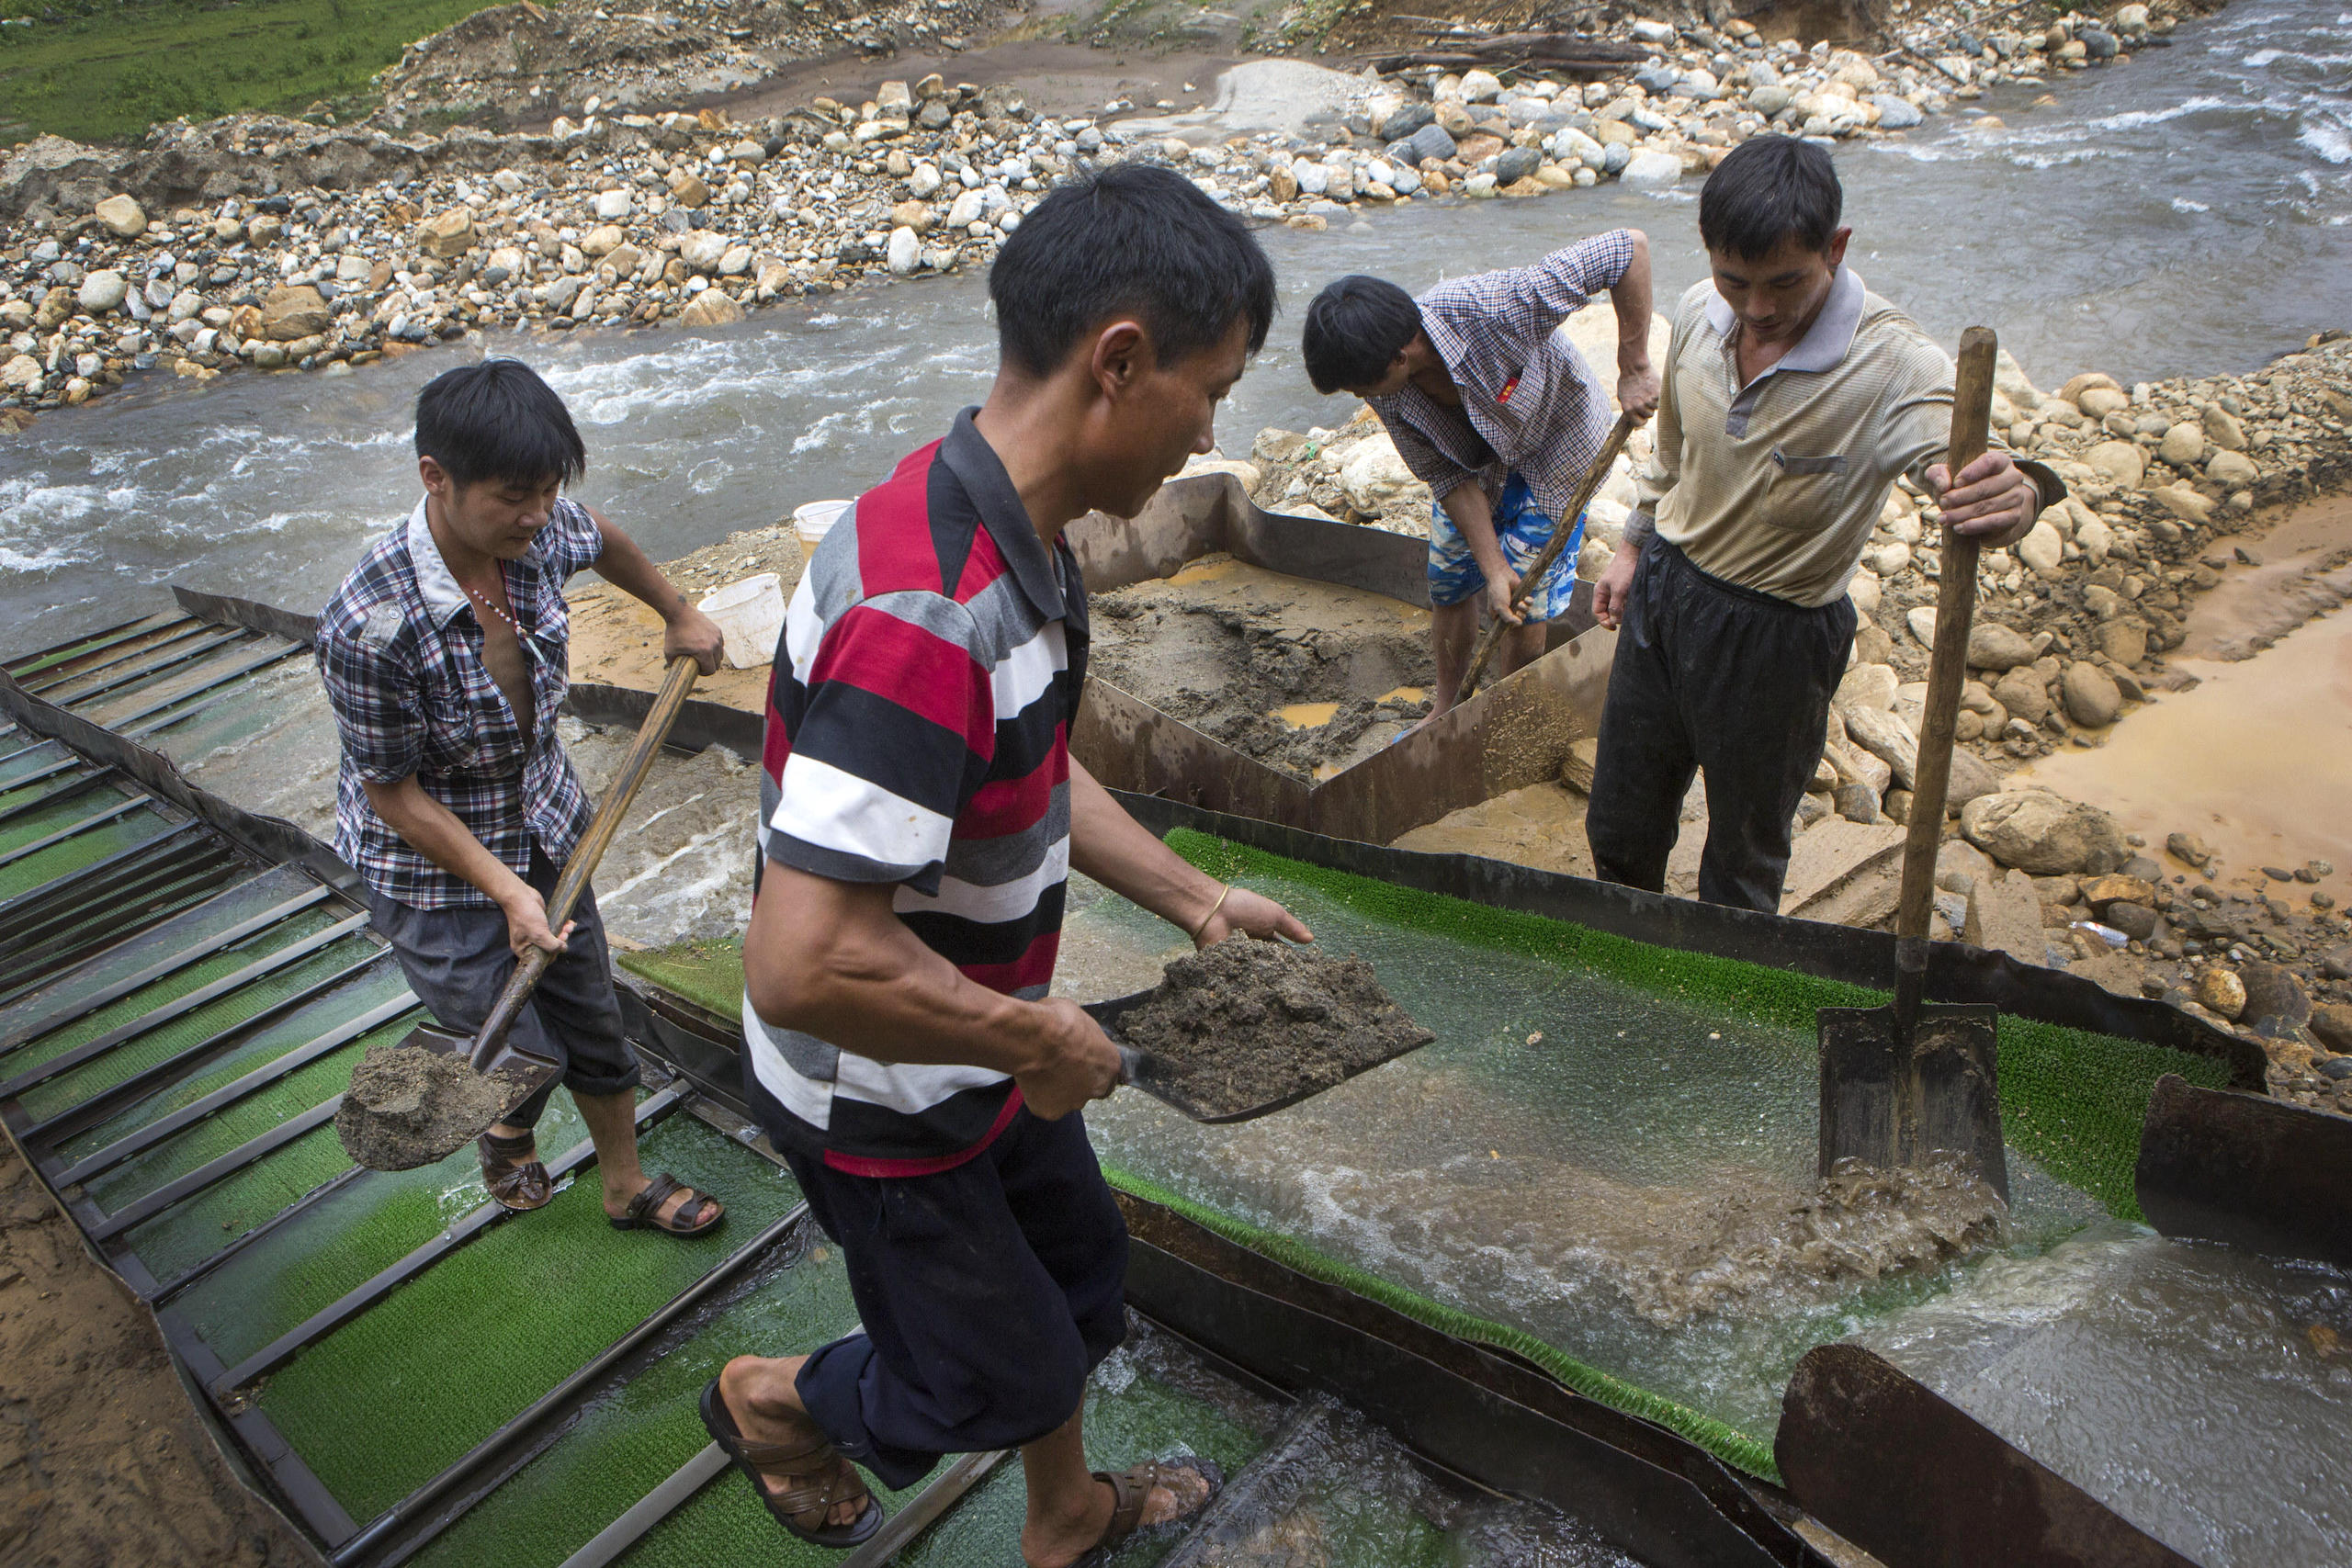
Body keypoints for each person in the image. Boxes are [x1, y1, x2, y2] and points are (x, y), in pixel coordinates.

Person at [700, 165, 1313, 1565]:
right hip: (883, 1085)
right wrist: (1030, 1030)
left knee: (1082, 1281)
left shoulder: (1014, 536)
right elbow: (803, 961)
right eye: (1209, 390)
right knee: (992, 1374)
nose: (1212, 429)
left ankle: (1063, 1516)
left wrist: (1196, 896)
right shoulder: (928, 604)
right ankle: (772, 1403)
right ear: (1119, 362)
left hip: (982, 1045)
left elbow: (1027, 766)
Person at [1586, 136, 2065, 912]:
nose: (1759, 308)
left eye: (1785, 282)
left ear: (1835, 248)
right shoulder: (1700, 317)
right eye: (1734, 279)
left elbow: (1967, 459)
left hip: (1775, 637)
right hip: (1664, 598)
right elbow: (1672, 456)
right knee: (1620, 823)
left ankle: (1717, 1010)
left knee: (1742, 862)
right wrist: (1633, 547)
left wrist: (2016, 495)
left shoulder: (1894, 363)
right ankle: (1626, 954)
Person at [316, 359, 730, 1233]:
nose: (537, 514)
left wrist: (677, 610)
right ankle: (507, 1125)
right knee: (520, 1048)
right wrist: (505, 892)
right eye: (514, 496)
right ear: (436, 477)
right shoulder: (369, 625)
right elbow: (392, 793)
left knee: (591, 1012)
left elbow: (599, 536)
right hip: (433, 865)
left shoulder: (536, 529)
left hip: (543, 818)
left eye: (547, 491)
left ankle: (624, 1187)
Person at [1300, 230, 1660, 722]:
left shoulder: (1493, 308)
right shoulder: (1385, 390)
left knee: (1522, 601)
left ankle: (1499, 718)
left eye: (1362, 386)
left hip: (1558, 448)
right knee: (1449, 576)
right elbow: (1445, 476)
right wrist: (1492, 568)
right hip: (1475, 466)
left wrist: (1634, 365)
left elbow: (1628, 248)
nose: (1363, 398)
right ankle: (1449, 707)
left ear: (1399, 357)